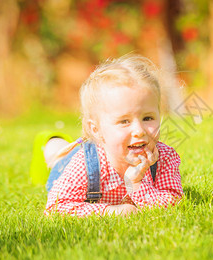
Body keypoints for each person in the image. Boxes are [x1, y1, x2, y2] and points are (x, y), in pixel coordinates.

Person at [31, 54, 183, 217]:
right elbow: (55, 208)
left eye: (148, 118)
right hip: (69, 164)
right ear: (96, 129)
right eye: (124, 121)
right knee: (58, 155)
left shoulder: (164, 158)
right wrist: (110, 211)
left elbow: (173, 201)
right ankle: (51, 142)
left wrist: (138, 185)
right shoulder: (83, 164)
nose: (139, 130)